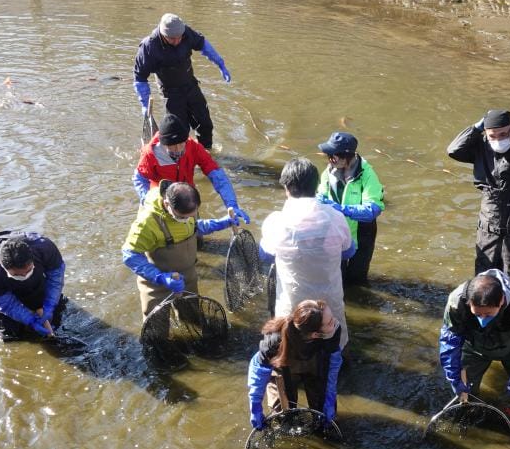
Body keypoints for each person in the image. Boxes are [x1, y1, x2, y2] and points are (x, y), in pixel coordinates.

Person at [447, 109, 510, 288]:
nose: (498, 140)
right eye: (492, 135)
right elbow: (453, 150)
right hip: (489, 227)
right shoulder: (482, 147)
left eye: (503, 134)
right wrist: (475, 128)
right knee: (484, 282)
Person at [438, 269, 510, 435]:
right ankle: (469, 421)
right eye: (477, 314)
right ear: (469, 303)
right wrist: (454, 376)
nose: (482, 319)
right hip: (474, 347)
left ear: (502, 301)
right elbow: (450, 341)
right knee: (465, 392)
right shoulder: (456, 302)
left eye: (488, 314)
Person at [260, 158, 355, 349]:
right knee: (332, 346)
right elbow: (348, 251)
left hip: (293, 305)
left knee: (291, 345)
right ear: (316, 186)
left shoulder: (276, 221)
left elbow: (265, 255)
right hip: (329, 305)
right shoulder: (335, 217)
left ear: (287, 188)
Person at [121, 180, 238, 318]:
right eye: (182, 217)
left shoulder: (187, 208)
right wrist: (160, 277)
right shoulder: (146, 223)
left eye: (191, 215)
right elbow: (130, 254)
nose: (187, 219)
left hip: (188, 277)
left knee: (192, 315)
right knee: (158, 321)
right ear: (167, 204)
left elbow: (194, 227)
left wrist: (221, 223)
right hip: (157, 284)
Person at [133, 13, 230, 151]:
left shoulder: (185, 33)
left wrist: (220, 63)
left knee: (205, 124)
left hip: (190, 85)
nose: (177, 41)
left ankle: (206, 152)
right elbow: (140, 78)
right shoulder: (149, 47)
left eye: (179, 37)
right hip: (170, 92)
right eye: (172, 39)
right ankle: (181, 157)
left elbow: (203, 45)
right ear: (163, 34)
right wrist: (144, 104)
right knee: (180, 131)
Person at [133, 115, 249, 226]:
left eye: (181, 144)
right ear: (164, 144)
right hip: (161, 198)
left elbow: (217, 175)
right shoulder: (150, 154)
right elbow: (139, 179)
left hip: (186, 198)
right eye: (172, 146)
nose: (178, 149)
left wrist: (232, 205)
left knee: (196, 231)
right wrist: (147, 200)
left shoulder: (193, 147)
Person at [247, 300, 343, 429]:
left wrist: (330, 397)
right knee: (283, 417)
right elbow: (259, 367)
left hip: (315, 365)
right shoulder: (275, 340)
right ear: (315, 334)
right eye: (330, 322)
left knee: (322, 412)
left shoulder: (333, 332)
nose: (335, 321)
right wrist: (255, 405)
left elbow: (333, 365)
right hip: (284, 368)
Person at [315, 131, 385, 285]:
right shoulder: (329, 171)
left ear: (346, 156)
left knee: (356, 279)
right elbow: (321, 196)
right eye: (328, 155)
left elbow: (373, 209)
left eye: (333, 156)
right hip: (337, 232)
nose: (329, 159)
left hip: (362, 233)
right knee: (336, 276)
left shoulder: (367, 174)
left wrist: (342, 209)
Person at [0, 231, 67, 342]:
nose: (24, 276)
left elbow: (55, 278)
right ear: (1, 264)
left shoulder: (44, 248)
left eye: (28, 271)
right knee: (11, 334)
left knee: (57, 316)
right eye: (17, 274)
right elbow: (6, 304)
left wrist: (50, 304)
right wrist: (30, 320)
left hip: (36, 275)